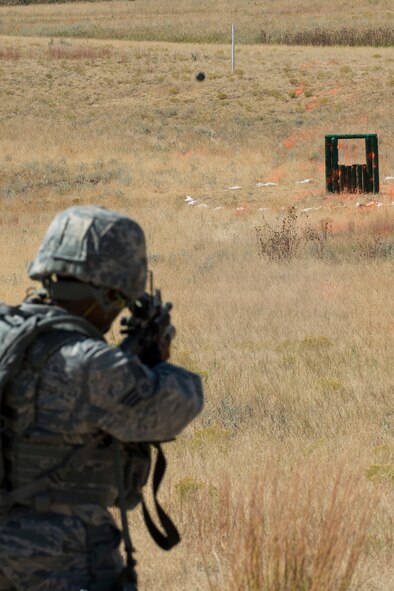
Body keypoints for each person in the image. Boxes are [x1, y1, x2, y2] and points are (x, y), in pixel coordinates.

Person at [0, 205, 204, 591]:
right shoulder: (89, 364)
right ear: (111, 293)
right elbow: (174, 406)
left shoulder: (8, 334)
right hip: (61, 559)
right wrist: (157, 362)